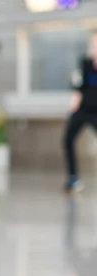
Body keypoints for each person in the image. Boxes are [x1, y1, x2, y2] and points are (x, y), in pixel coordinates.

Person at [63, 32, 97, 193]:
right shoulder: (85, 63)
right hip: (83, 109)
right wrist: (73, 106)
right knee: (68, 139)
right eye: (93, 44)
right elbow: (79, 87)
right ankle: (73, 178)